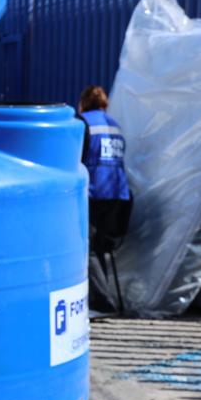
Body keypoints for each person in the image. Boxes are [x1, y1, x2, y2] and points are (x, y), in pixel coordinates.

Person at [78, 85, 132, 313]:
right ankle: (100, 298)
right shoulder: (115, 125)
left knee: (87, 246)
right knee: (99, 246)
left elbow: (76, 158)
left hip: (94, 192)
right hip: (118, 195)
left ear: (83, 103)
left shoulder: (83, 123)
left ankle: (103, 302)